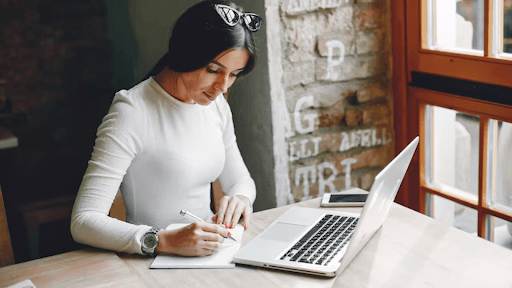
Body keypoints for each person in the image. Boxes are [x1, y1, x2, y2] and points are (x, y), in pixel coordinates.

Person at [70, 0, 263, 257]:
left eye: (234, 74)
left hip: (211, 254)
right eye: (213, 70)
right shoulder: (132, 112)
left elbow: (241, 180)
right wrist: (163, 241)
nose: (223, 86)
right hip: (151, 262)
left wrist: (240, 199)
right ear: (185, 54)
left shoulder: (214, 105)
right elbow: (83, 221)